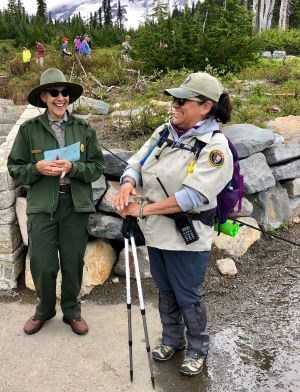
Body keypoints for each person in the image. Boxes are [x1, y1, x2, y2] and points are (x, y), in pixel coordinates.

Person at [113, 72, 233, 376]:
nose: (174, 104)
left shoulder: (216, 148)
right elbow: (137, 162)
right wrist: (128, 182)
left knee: (187, 294)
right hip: (156, 232)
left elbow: (190, 196)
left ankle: (197, 348)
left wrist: (142, 210)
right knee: (165, 289)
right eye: (173, 99)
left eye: (182, 100)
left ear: (205, 107)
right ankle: (172, 339)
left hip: (187, 237)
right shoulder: (164, 132)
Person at [7, 68, 105, 336]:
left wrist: (74, 168)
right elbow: (15, 168)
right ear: (44, 96)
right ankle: (45, 309)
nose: (60, 98)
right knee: (42, 262)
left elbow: (97, 166)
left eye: (65, 93)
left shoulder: (84, 128)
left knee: (73, 262)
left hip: (75, 205)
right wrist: (36, 168)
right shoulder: (29, 130)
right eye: (54, 92)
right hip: (42, 206)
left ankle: (72, 311)